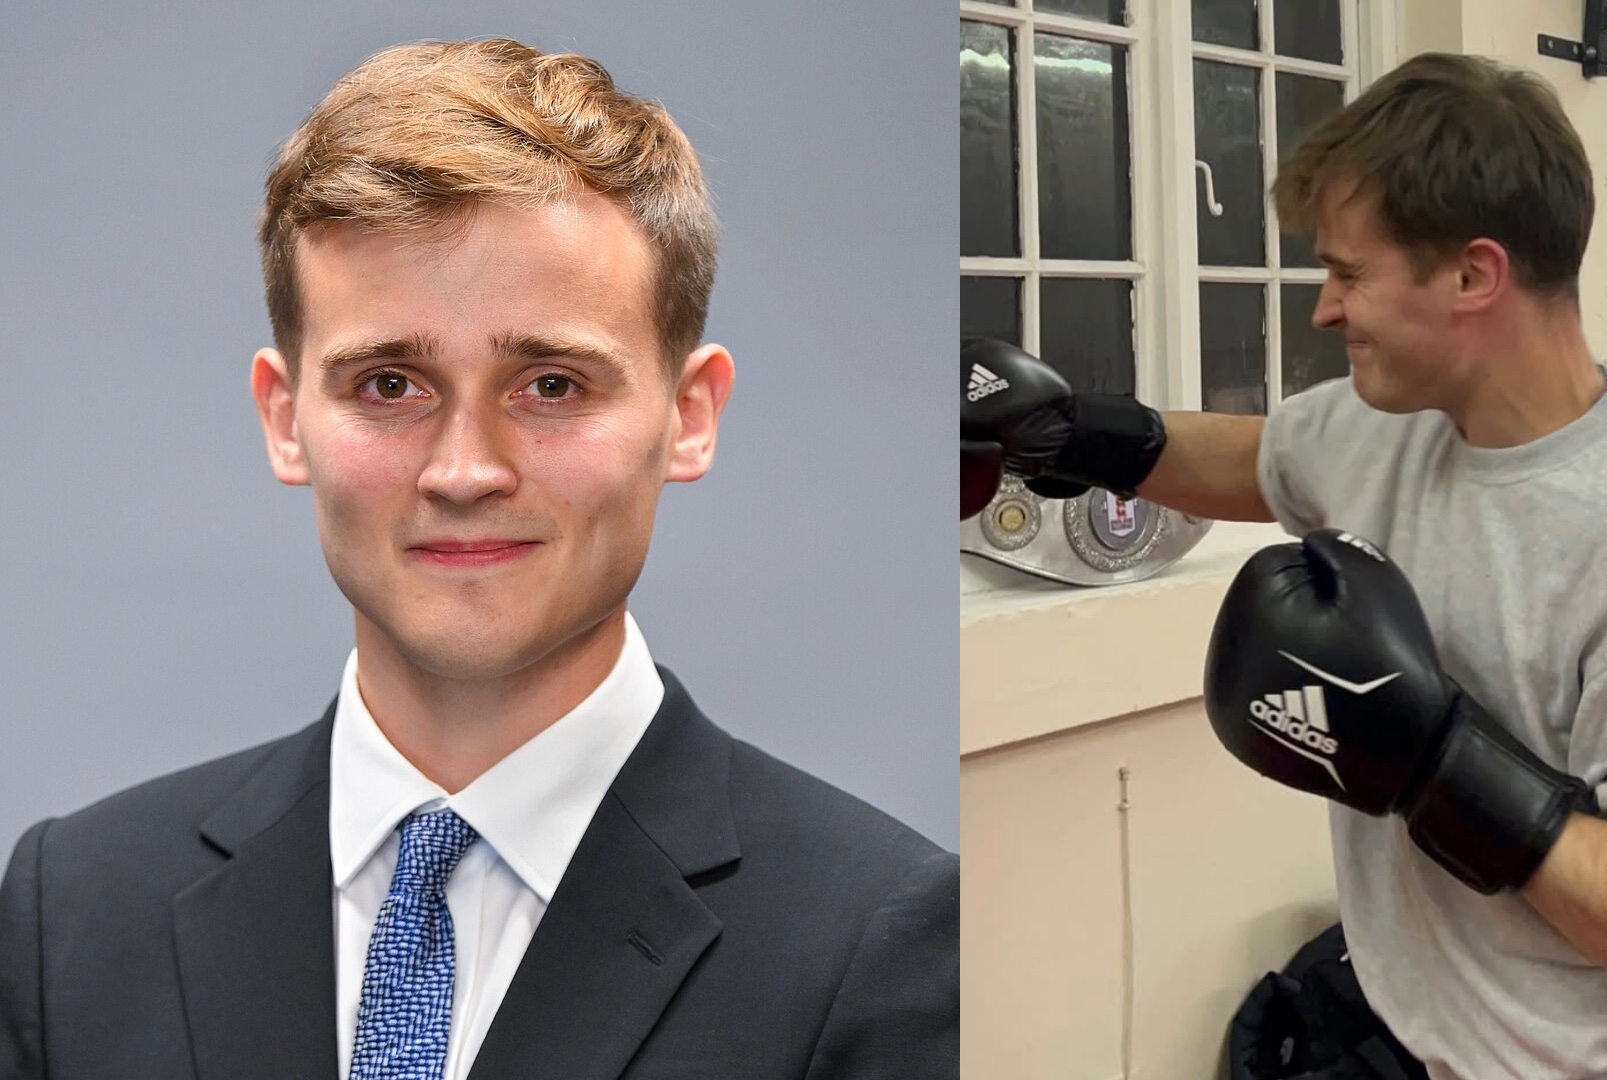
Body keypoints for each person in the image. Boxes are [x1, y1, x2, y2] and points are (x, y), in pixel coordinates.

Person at [1, 38, 956, 1080]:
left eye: (551, 384)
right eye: (387, 385)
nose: (463, 472)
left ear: (689, 416)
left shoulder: (881, 940)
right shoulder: (72, 909)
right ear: (285, 420)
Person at [962, 52, 1607, 1080]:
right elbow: (1252, 456)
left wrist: (1436, 764)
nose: (1324, 309)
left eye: (1349, 274)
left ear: (1471, 275)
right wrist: (1069, 434)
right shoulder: (1389, 426)